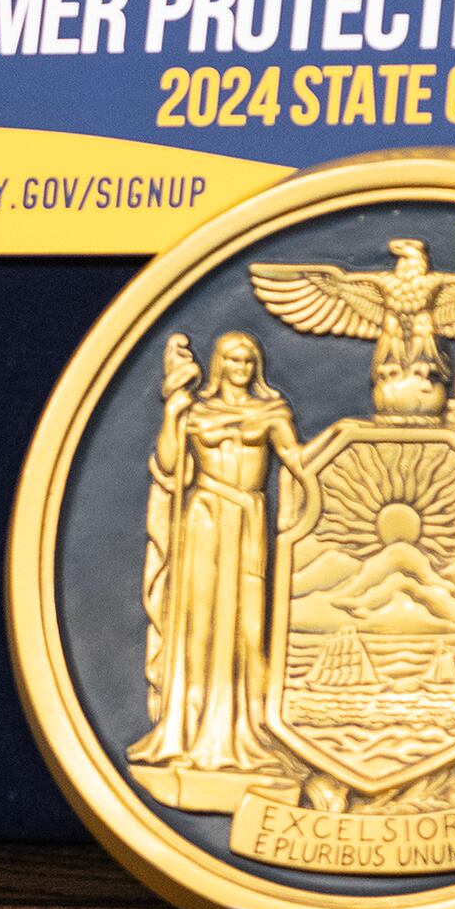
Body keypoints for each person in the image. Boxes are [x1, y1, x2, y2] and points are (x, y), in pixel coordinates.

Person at [129, 331, 303, 776]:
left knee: (247, 625)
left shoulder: (272, 411)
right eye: (232, 360)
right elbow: (169, 466)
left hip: (246, 517)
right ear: (219, 365)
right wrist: (172, 411)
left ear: (256, 367)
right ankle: (186, 726)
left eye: (248, 361)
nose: (240, 369)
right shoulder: (197, 411)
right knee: (198, 622)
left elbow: (299, 461)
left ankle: (244, 727)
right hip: (204, 515)